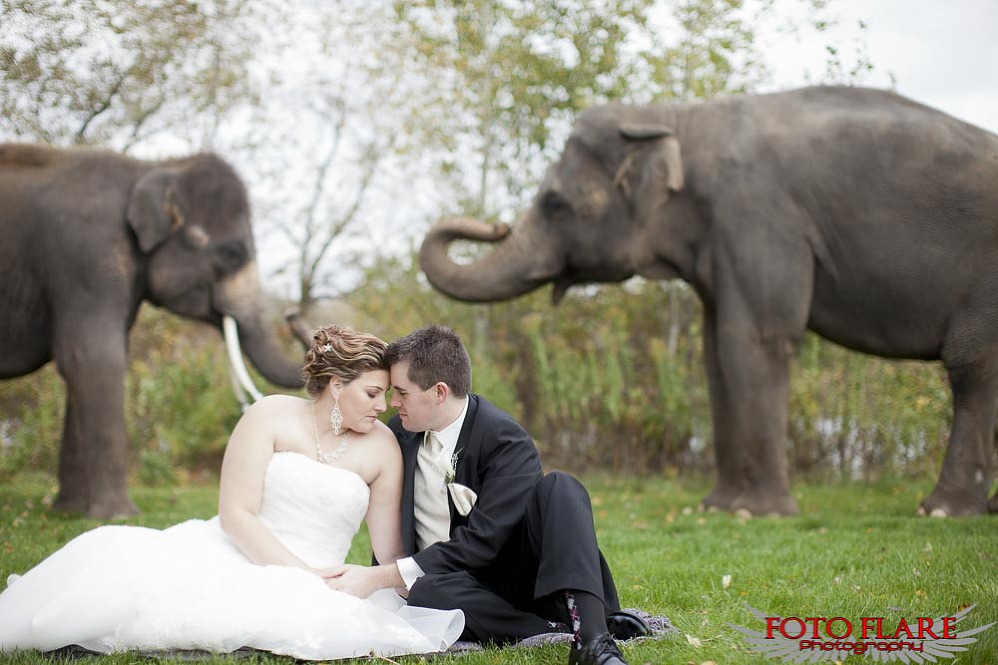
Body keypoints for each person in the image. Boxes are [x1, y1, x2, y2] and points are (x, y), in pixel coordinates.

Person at [0, 325, 463, 659]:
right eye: (372, 394)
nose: (384, 407)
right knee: (115, 564)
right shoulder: (268, 416)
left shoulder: (383, 448)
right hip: (238, 550)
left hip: (328, 578)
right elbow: (236, 514)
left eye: (387, 395)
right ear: (337, 387)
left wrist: (378, 584)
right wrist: (304, 577)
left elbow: (388, 552)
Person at [325, 325, 649, 665]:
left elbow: (483, 544)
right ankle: (551, 629)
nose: (393, 402)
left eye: (403, 393)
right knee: (425, 592)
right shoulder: (398, 435)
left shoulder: (505, 440)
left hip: (519, 579)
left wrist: (380, 576)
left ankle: (593, 638)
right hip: (455, 588)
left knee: (561, 486)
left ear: (439, 392)